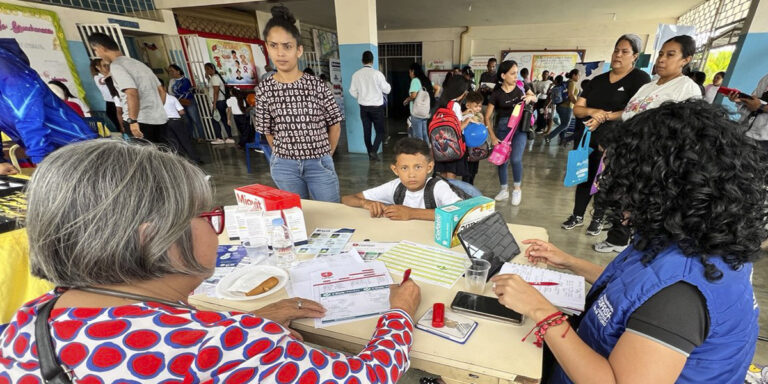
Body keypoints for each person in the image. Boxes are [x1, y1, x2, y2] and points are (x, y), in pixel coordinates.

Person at [0, 139, 422, 383]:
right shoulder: (220, 344)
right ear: (155, 238)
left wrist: (249, 322)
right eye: (205, 216)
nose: (218, 227)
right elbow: (366, 376)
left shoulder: (25, 323)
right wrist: (400, 312)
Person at [494, 100, 765, 384]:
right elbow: (634, 293)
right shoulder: (689, 239)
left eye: (626, 183)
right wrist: (570, 262)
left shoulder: (681, 296)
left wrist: (541, 311)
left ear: (664, 187)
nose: (616, 193)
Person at [561, 34, 650, 249]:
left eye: (624, 51)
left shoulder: (640, 80)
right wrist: (596, 111)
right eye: (616, 50)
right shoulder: (598, 80)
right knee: (583, 177)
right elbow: (578, 108)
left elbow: (638, 110)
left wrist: (607, 116)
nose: (618, 55)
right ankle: (577, 215)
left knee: (606, 183)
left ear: (635, 56)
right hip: (587, 139)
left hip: (617, 144)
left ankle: (598, 218)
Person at [253, 6, 343, 203]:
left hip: (319, 162)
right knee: (296, 217)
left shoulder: (317, 85)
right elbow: (268, 131)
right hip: (284, 166)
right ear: (267, 48)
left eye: (287, 46)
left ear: (299, 50)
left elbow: (335, 124)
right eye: (274, 45)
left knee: (331, 214)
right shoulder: (264, 89)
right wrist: (283, 153)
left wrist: (326, 155)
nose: (281, 53)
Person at [0, 38, 96, 165]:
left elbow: (28, 115)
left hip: (77, 150)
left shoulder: (7, 68)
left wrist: (40, 157)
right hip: (52, 154)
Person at [342, 137, 462, 220]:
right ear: (395, 170)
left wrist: (412, 213)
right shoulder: (395, 187)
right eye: (404, 168)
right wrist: (366, 203)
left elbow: (460, 212)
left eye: (418, 167)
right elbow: (347, 199)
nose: (411, 174)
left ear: (429, 167)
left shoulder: (438, 187)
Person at [88, 32, 168, 143]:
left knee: (143, 158)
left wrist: (133, 121)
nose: (97, 54)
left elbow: (131, 92)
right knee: (160, 156)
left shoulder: (117, 66)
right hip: (160, 119)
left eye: (95, 50)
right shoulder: (139, 64)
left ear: (101, 48)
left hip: (140, 122)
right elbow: (161, 91)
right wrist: (156, 109)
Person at [485, 60, 538, 206]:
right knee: (501, 161)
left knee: (515, 159)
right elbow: (487, 117)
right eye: (512, 73)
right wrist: (493, 136)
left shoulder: (521, 86)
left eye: (516, 72)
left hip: (520, 128)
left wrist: (529, 97)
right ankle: (504, 190)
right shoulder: (496, 94)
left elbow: (534, 97)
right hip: (502, 129)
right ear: (503, 75)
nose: (516, 76)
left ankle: (516, 189)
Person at [622, 35, 702, 121]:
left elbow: (687, 129)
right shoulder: (647, 87)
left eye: (670, 55)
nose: (661, 59)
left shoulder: (688, 89)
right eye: (660, 54)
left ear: (685, 60)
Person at [349, 50, 392, 161]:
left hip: (363, 108)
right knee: (380, 131)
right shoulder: (377, 74)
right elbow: (387, 90)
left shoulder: (356, 75)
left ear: (362, 61)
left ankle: (370, 154)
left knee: (366, 132)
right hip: (377, 108)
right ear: (372, 61)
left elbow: (352, 91)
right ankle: (374, 151)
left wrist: (360, 97)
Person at [433, 75, 471, 180]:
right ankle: (449, 194)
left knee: (443, 173)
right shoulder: (456, 105)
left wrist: (463, 114)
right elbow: (458, 128)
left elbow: (449, 120)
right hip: (453, 144)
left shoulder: (443, 102)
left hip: (440, 143)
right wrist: (468, 119)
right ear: (460, 91)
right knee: (451, 173)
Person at [159, 79, 201, 163]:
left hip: (165, 123)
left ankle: (182, 161)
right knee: (185, 140)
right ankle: (195, 159)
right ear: (164, 87)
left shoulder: (155, 101)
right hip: (176, 121)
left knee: (174, 143)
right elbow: (182, 111)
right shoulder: (172, 98)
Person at [728, 72, 768, 151]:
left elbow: (759, 105)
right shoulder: (766, 78)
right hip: (746, 131)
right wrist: (741, 100)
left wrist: (760, 106)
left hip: (764, 140)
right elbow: (755, 100)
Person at [168, 64, 206, 143]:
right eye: (169, 71)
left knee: (195, 119)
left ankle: (201, 137)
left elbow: (183, 92)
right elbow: (170, 93)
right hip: (180, 103)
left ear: (178, 71)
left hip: (189, 102)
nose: (171, 73)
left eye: (172, 71)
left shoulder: (185, 80)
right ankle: (190, 137)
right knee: (186, 121)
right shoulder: (172, 81)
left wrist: (176, 98)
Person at [404, 62, 436, 143]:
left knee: (418, 136)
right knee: (424, 134)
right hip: (426, 112)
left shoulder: (415, 80)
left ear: (413, 71)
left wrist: (407, 100)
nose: (409, 74)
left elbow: (413, 95)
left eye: (409, 72)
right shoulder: (426, 80)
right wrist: (430, 98)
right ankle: (427, 151)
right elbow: (438, 88)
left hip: (417, 112)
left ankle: (420, 153)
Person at [204, 62, 235, 145]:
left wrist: (214, 103)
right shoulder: (215, 77)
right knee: (224, 119)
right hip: (221, 101)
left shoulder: (214, 78)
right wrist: (207, 78)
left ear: (213, 69)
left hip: (218, 101)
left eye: (208, 69)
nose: (206, 71)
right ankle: (229, 137)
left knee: (215, 120)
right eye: (205, 69)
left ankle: (219, 138)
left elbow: (216, 91)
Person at [547, 69, 580, 144]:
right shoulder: (572, 83)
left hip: (560, 106)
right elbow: (571, 95)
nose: (579, 77)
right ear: (574, 75)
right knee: (565, 124)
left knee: (564, 124)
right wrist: (577, 104)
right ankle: (549, 136)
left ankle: (563, 139)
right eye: (578, 75)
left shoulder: (566, 82)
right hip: (566, 106)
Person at [461, 91, 485, 185]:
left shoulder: (479, 115)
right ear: (468, 105)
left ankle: (471, 187)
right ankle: (466, 190)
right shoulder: (464, 116)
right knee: (467, 172)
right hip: (467, 147)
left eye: (480, 106)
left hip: (477, 147)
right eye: (476, 106)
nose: (478, 109)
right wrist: (466, 114)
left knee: (474, 170)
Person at [91, 58, 120, 129]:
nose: (107, 67)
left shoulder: (109, 75)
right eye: (104, 65)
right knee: (120, 126)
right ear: (97, 67)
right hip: (111, 104)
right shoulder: (97, 77)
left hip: (117, 102)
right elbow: (102, 81)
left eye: (107, 65)